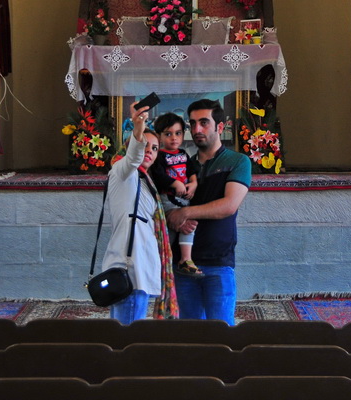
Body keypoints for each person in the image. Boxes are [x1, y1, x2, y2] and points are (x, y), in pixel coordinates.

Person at [167, 99, 252, 324]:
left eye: (204, 122)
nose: (196, 130)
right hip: (183, 264)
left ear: (220, 127)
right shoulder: (181, 165)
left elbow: (228, 205)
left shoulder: (237, 161)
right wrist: (170, 216)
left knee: (221, 335)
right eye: (192, 124)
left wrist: (185, 214)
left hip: (218, 263)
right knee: (190, 337)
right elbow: (165, 203)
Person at [101, 102, 177, 324]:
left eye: (155, 148)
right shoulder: (123, 171)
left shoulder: (146, 182)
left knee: (123, 334)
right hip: (131, 269)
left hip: (140, 266)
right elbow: (133, 157)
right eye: (145, 145)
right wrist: (139, 127)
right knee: (129, 337)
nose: (150, 152)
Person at [146, 113, 202, 277]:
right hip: (168, 199)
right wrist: (175, 183)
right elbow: (158, 176)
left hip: (184, 199)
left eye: (178, 133)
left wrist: (193, 184)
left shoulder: (184, 154)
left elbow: (191, 171)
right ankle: (162, 262)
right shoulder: (159, 155)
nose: (174, 138)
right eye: (168, 134)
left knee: (189, 225)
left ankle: (186, 259)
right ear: (159, 136)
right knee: (167, 232)